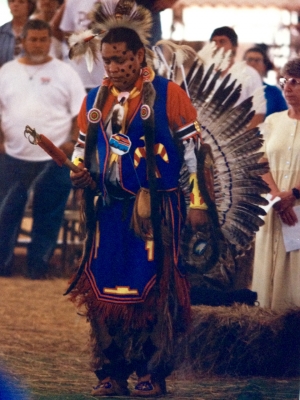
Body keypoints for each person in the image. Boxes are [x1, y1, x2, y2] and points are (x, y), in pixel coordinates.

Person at [68, 0, 205, 396]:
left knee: (154, 289)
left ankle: (152, 372)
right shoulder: (96, 99)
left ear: (139, 56)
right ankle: (110, 372)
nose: (112, 68)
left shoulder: (169, 94)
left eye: (120, 60)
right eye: (107, 60)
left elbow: (194, 153)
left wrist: (196, 202)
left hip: (156, 209)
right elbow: (81, 147)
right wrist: (78, 168)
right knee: (104, 288)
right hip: (108, 209)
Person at [0, 19, 86, 278]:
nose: (38, 44)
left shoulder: (66, 72)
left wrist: (71, 142)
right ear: (22, 41)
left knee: (49, 212)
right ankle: (3, 265)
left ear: (50, 42)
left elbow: (80, 112)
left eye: (43, 39)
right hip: (12, 155)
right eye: (33, 39)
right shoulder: (6, 71)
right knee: (6, 211)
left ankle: (38, 266)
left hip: (56, 156)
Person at [252, 57, 300, 311]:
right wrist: (277, 197)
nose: (287, 88)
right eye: (285, 81)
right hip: (275, 210)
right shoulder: (273, 121)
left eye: (295, 82)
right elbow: (260, 162)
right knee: (269, 273)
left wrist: (294, 194)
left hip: (298, 210)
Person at [209, 26, 266, 130]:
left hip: (238, 139)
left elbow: (258, 113)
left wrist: (240, 141)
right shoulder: (202, 74)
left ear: (234, 46)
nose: (217, 46)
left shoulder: (250, 74)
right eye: (214, 42)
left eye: (222, 42)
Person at [244, 46, 288, 118]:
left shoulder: (274, 92)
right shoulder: (235, 89)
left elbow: (284, 118)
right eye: (249, 60)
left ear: (264, 66)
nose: (253, 64)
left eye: (257, 60)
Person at [0, 0, 36, 67]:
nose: (15, 4)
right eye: (12, 1)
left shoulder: (37, 31)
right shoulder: (2, 31)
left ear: (30, 6)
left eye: (21, 2)